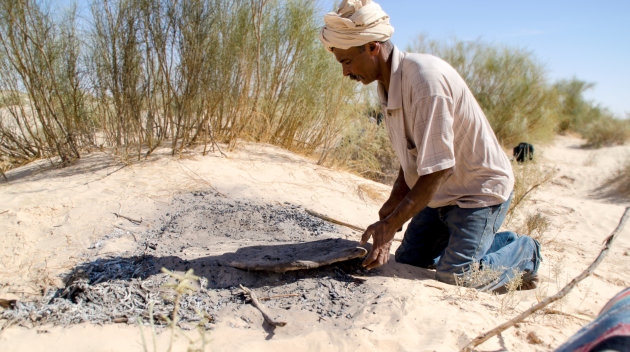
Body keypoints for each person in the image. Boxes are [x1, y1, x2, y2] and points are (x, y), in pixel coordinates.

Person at [319, 0, 541, 292]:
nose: (345, 73)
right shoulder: (387, 84)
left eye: (347, 61)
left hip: (478, 192)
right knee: (411, 260)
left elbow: (438, 169)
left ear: (372, 46)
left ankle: (525, 251)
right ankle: (468, 244)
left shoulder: (425, 82)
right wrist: (394, 205)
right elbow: (412, 154)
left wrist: (389, 226)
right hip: (439, 196)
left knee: (455, 277)